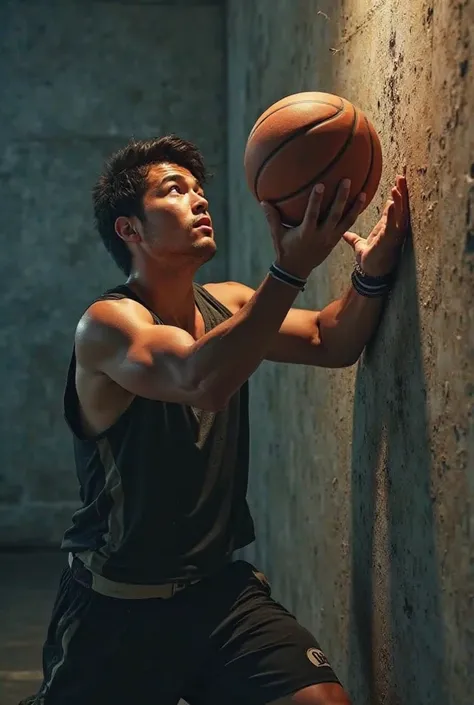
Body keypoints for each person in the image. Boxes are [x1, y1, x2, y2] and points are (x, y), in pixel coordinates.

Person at [21, 136, 410, 705]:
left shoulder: (229, 303)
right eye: (174, 190)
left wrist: (371, 274)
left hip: (218, 597)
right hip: (117, 608)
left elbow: (331, 339)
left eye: (199, 189)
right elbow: (200, 381)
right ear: (129, 229)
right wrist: (290, 268)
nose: (199, 199)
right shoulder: (106, 325)